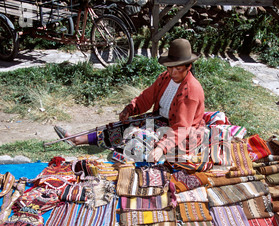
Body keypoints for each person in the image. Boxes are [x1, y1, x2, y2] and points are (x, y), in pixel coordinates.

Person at [57, 38, 206, 163]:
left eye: (178, 68)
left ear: (188, 66)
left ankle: (138, 152)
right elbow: (147, 97)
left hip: (181, 136)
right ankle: (77, 139)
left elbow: (181, 127)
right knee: (125, 125)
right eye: (169, 67)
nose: (172, 72)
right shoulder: (165, 78)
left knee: (136, 137)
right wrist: (131, 108)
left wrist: (162, 147)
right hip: (161, 121)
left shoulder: (191, 91)